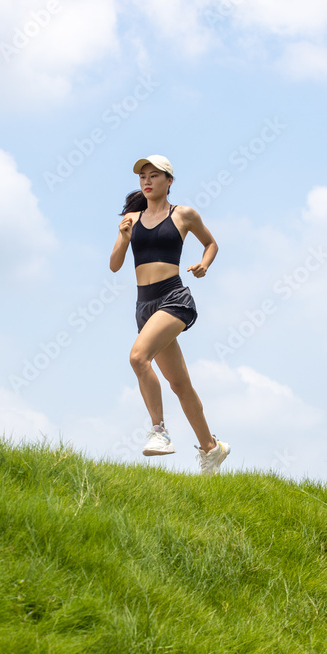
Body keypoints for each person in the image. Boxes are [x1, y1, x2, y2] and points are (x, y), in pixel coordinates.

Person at [109, 154, 231, 475]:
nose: (147, 181)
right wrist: (124, 239)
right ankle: (211, 448)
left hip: (173, 298)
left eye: (154, 175)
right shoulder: (131, 220)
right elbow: (115, 265)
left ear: (169, 181)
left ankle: (159, 432)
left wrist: (204, 265)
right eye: (142, 177)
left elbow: (211, 244)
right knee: (179, 384)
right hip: (144, 306)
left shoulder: (183, 215)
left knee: (138, 358)